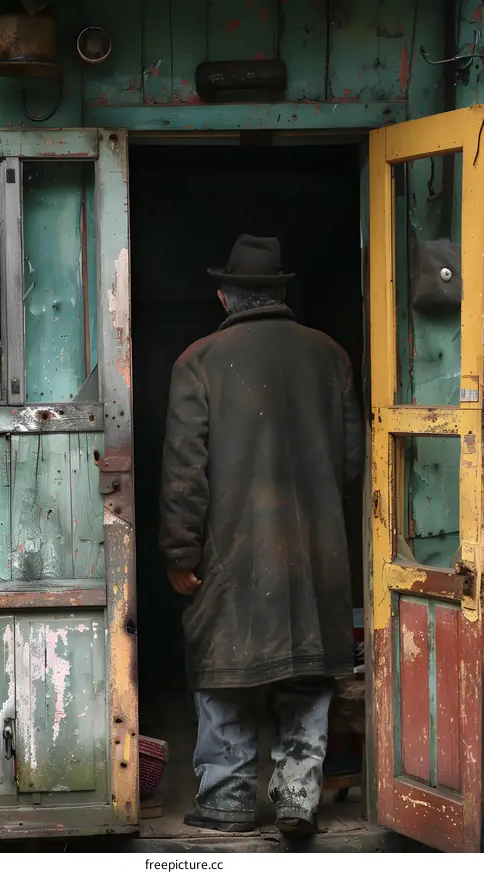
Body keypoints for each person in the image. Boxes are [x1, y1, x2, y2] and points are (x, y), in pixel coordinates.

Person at [159, 234, 363, 836]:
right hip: (313, 551)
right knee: (307, 669)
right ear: (280, 294)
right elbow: (351, 459)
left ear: (225, 296)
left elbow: (183, 474)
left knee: (225, 667)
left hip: (232, 552)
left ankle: (228, 799)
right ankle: (299, 797)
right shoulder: (331, 356)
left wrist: (179, 553)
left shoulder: (197, 361)